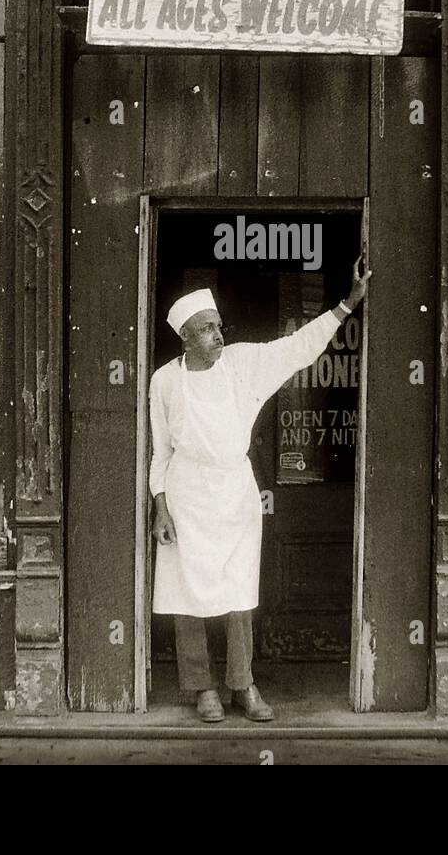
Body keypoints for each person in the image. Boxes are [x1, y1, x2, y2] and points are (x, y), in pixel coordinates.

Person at [149, 255, 371, 723]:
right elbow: (160, 452)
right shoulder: (165, 381)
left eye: (219, 326)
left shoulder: (243, 364)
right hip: (185, 494)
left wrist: (346, 305)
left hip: (234, 493)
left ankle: (242, 685)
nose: (218, 335)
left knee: (238, 594)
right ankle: (201, 687)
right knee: (185, 595)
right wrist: (160, 506)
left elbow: (298, 347)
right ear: (184, 335)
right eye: (207, 328)